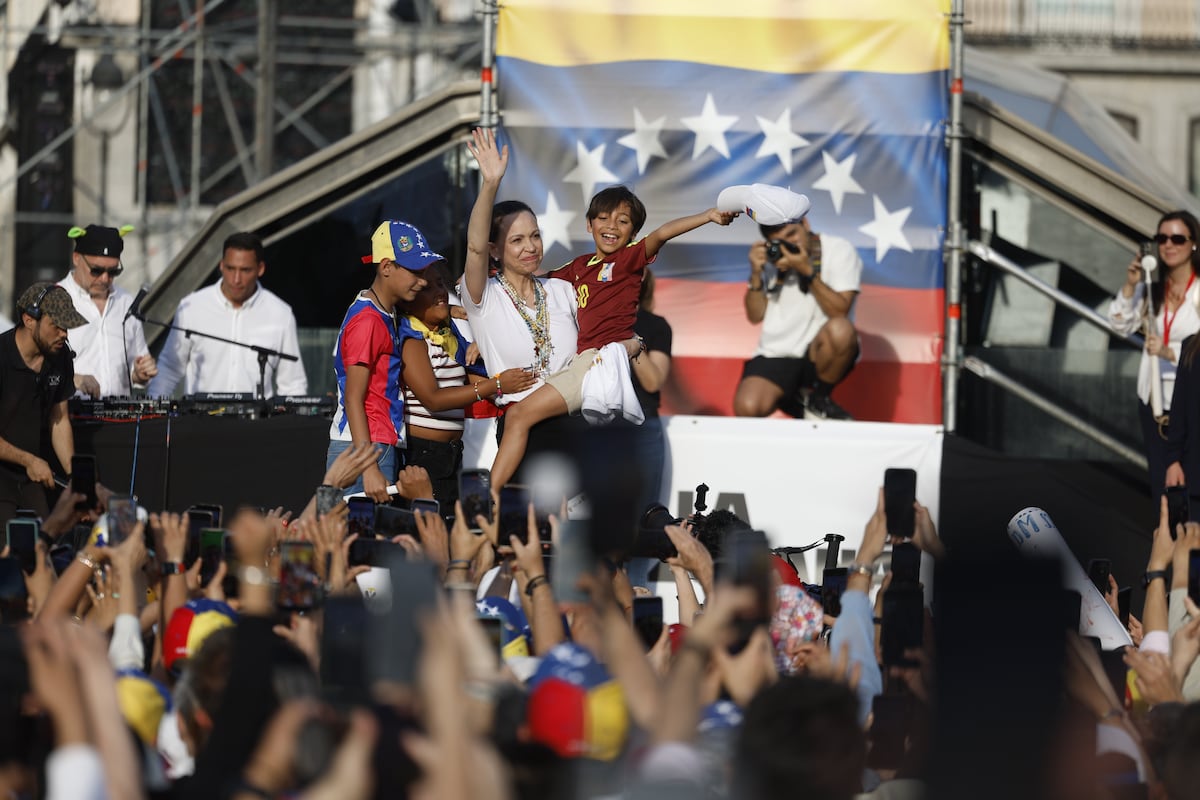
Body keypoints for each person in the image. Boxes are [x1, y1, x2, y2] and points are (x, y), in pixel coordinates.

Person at [476, 130, 735, 490]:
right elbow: (533, 283)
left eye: (623, 221)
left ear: (633, 235)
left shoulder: (629, 261)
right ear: (589, 223)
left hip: (596, 364)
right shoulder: (579, 266)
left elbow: (662, 233)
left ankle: (487, 496)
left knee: (518, 416)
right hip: (580, 365)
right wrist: (469, 321)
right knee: (551, 469)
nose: (611, 226)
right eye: (603, 217)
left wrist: (707, 216)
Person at [459, 128, 584, 471]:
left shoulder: (560, 291)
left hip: (574, 427)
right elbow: (473, 247)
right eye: (517, 241)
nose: (530, 247)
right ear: (495, 250)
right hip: (523, 433)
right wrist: (490, 184)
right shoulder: (484, 297)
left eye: (534, 236)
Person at [398, 265, 535, 506]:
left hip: (450, 453)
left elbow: (471, 379)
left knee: (449, 527)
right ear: (408, 300)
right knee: (432, 529)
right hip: (423, 455)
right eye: (428, 288)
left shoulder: (447, 335)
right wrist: (496, 384)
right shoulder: (413, 339)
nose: (440, 292)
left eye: (440, 284)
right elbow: (433, 399)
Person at [328, 220, 434, 501]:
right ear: (386, 267)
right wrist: (369, 466)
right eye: (414, 271)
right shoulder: (369, 319)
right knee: (357, 541)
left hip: (373, 444)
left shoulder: (382, 312)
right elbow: (353, 397)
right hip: (366, 448)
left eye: (423, 271)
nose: (422, 281)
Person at [732, 211, 862, 421]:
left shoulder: (838, 249)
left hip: (818, 352)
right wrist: (756, 273)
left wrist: (806, 270)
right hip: (776, 352)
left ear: (806, 224)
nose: (789, 245)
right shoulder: (771, 259)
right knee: (747, 408)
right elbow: (755, 316)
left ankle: (819, 398)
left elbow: (840, 311)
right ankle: (803, 404)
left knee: (841, 330)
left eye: (792, 234)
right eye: (779, 242)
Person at [1110, 210, 1200, 502]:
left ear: (1194, 244)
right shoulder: (1153, 288)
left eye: (1177, 238)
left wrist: (1167, 352)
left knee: (1189, 484)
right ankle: (1166, 544)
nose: (1168, 246)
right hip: (1154, 400)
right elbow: (1120, 324)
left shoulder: (1198, 291)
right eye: (1161, 239)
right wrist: (1131, 284)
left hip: (1189, 400)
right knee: (1162, 488)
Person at [148, 232, 307, 397]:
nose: (236, 279)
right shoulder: (191, 307)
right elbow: (169, 369)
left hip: (257, 422)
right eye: (230, 269)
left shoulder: (281, 314)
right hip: (200, 420)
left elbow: (293, 385)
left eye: (245, 270)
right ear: (221, 265)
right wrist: (153, 414)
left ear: (260, 269)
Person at [0, 282, 86, 521]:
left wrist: (74, 479)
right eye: (57, 325)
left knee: (45, 544)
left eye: (67, 326)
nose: (64, 334)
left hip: (31, 476)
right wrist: (28, 460)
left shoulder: (60, 359)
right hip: (14, 470)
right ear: (29, 320)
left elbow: (59, 421)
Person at [55, 224, 157, 398]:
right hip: (71, 417)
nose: (104, 279)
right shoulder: (56, 300)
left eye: (113, 271)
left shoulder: (126, 302)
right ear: (77, 258)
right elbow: (35, 370)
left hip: (118, 418)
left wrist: (139, 374)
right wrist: (74, 379)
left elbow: (136, 364)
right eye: (96, 270)